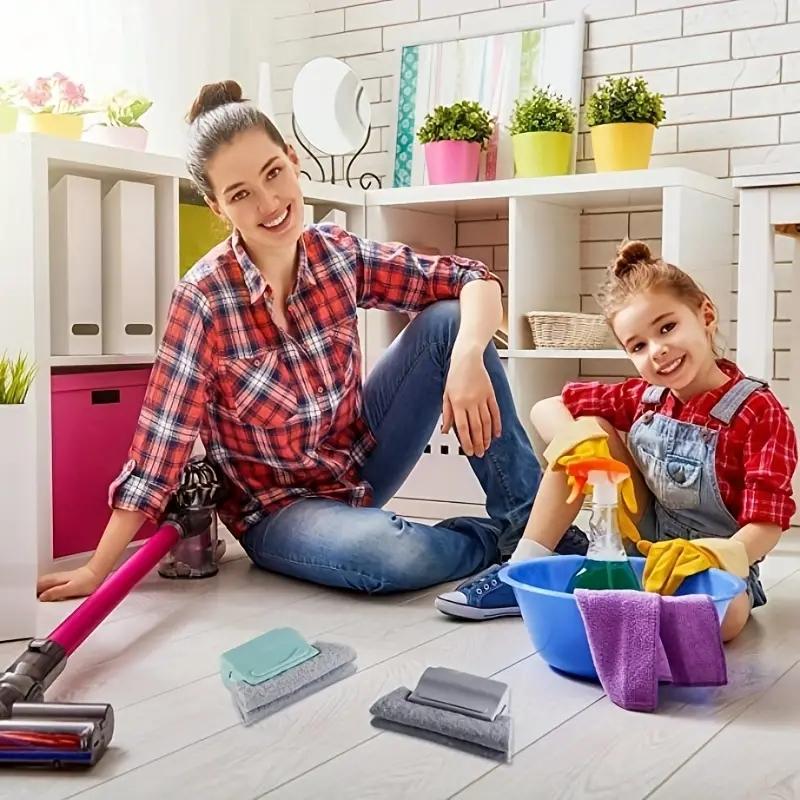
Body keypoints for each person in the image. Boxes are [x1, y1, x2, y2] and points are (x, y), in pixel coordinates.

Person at [37, 79, 546, 602]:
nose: (269, 203)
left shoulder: (337, 253)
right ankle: (488, 544)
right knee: (388, 554)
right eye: (240, 194)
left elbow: (475, 279)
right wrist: (97, 571)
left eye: (273, 173)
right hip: (278, 511)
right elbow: (158, 448)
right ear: (217, 207)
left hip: (359, 462)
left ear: (293, 159)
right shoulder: (204, 299)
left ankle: (535, 535)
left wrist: (465, 360)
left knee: (447, 322)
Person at [436, 240, 797, 642]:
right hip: (640, 541)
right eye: (638, 346)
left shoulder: (758, 412)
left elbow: (766, 525)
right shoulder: (646, 396)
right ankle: (521, 570)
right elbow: (546, 407)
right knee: (586, 430)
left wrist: (714, 555)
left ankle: (630, 605)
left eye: (667, 327)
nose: (657, 351)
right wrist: (578, 445)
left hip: (715, 563)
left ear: (705, 314)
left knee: (724, 619)